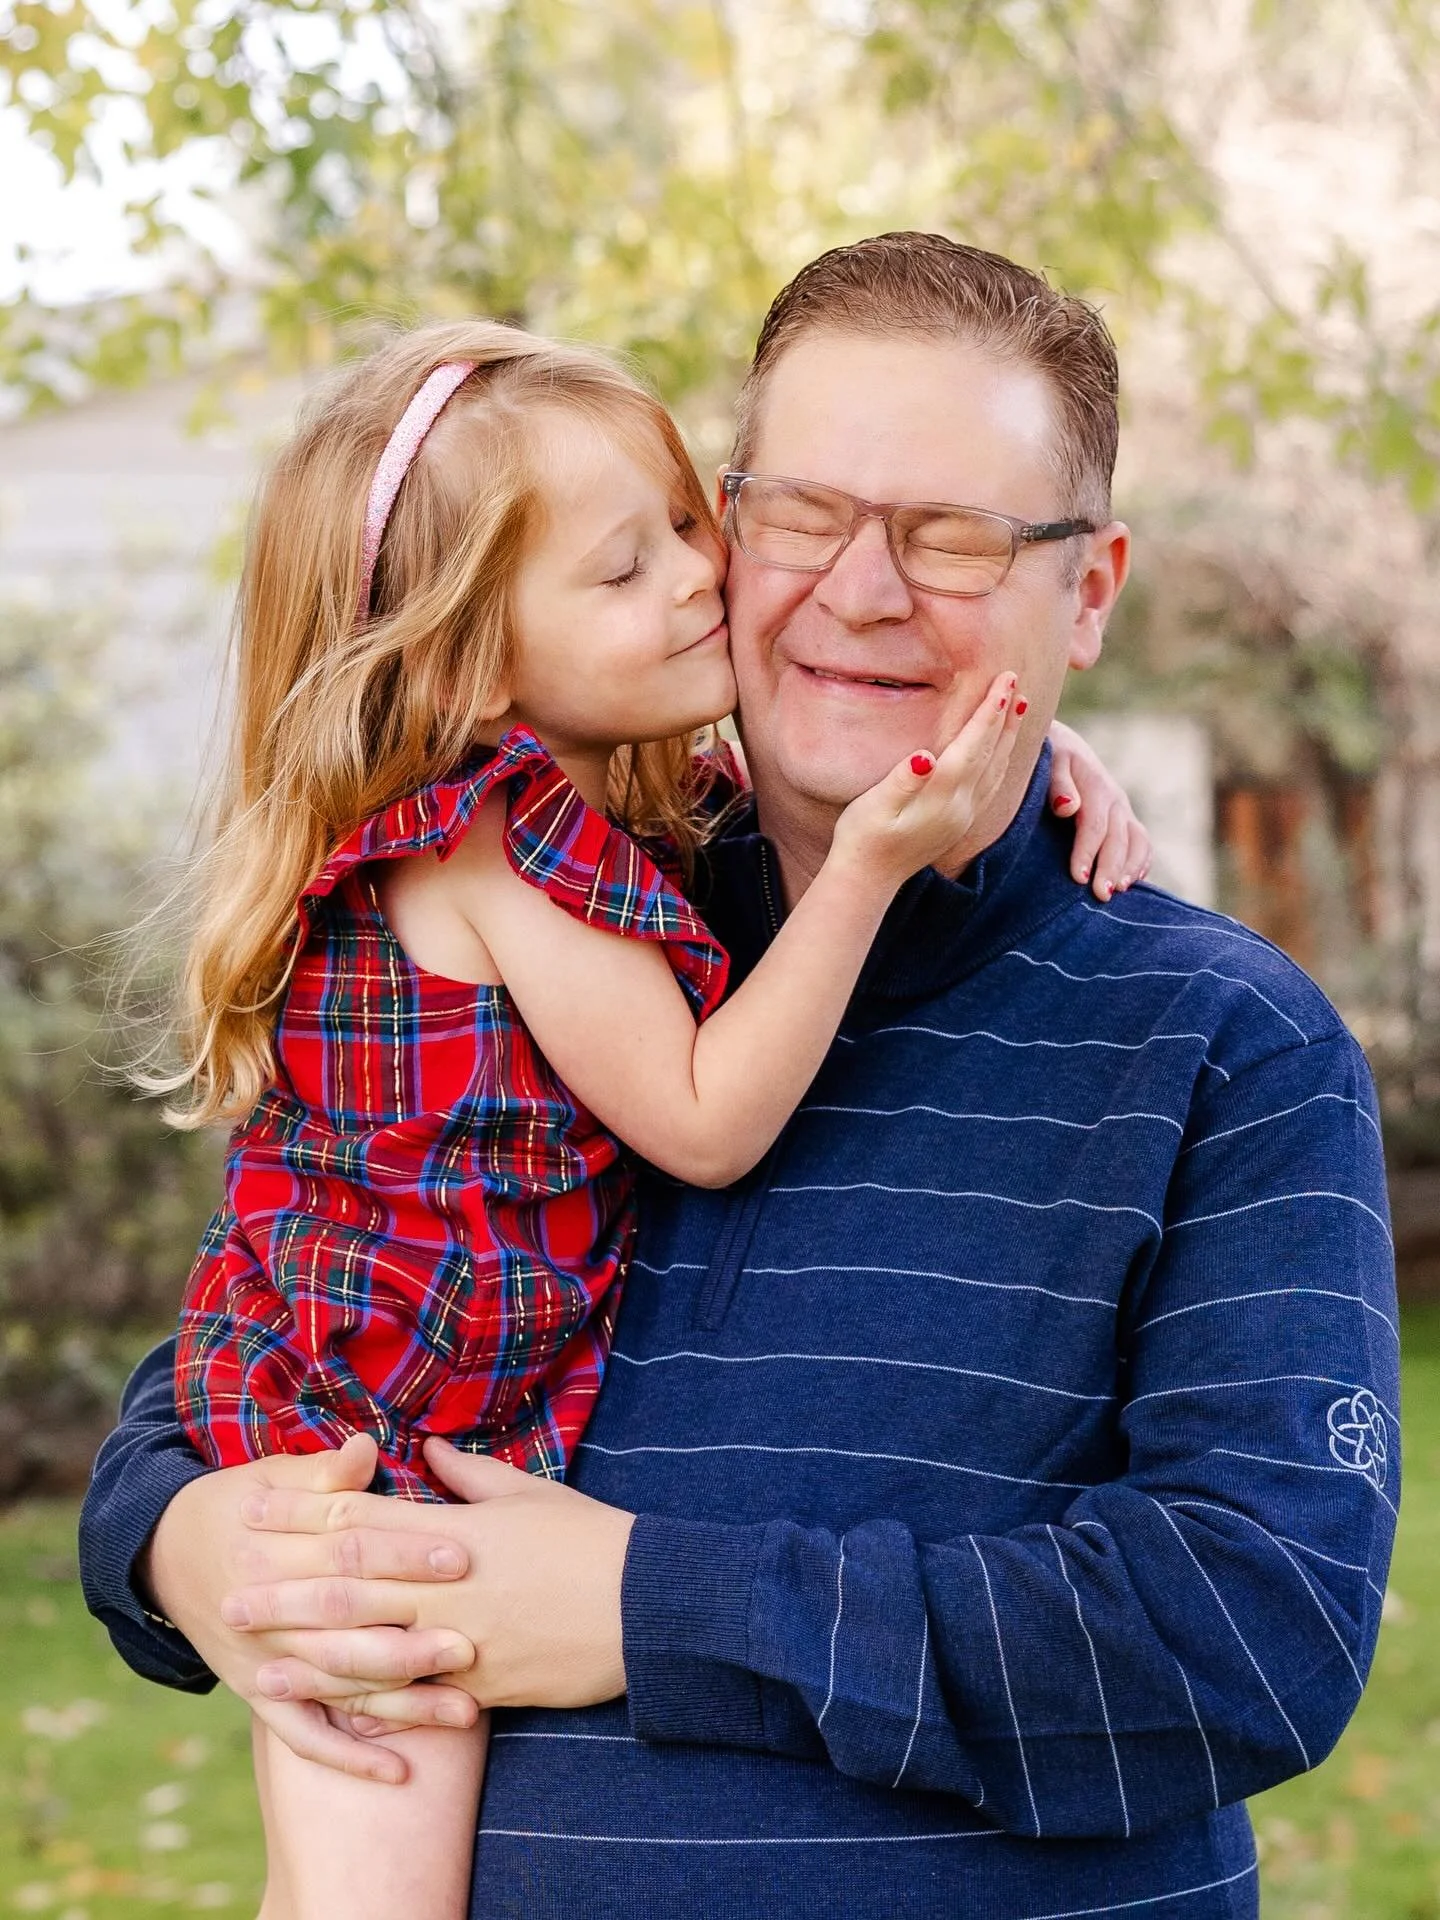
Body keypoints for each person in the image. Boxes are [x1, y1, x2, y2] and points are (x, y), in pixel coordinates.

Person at [81, 234, 1397, 1920]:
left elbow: (1253, 1636)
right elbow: (274, 1325)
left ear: (1089, 589)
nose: (859, 593)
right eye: (797, 515)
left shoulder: (1227, 1044)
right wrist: (183, 1548)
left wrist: (645, 1605)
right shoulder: (563, 940)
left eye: (954, 538)